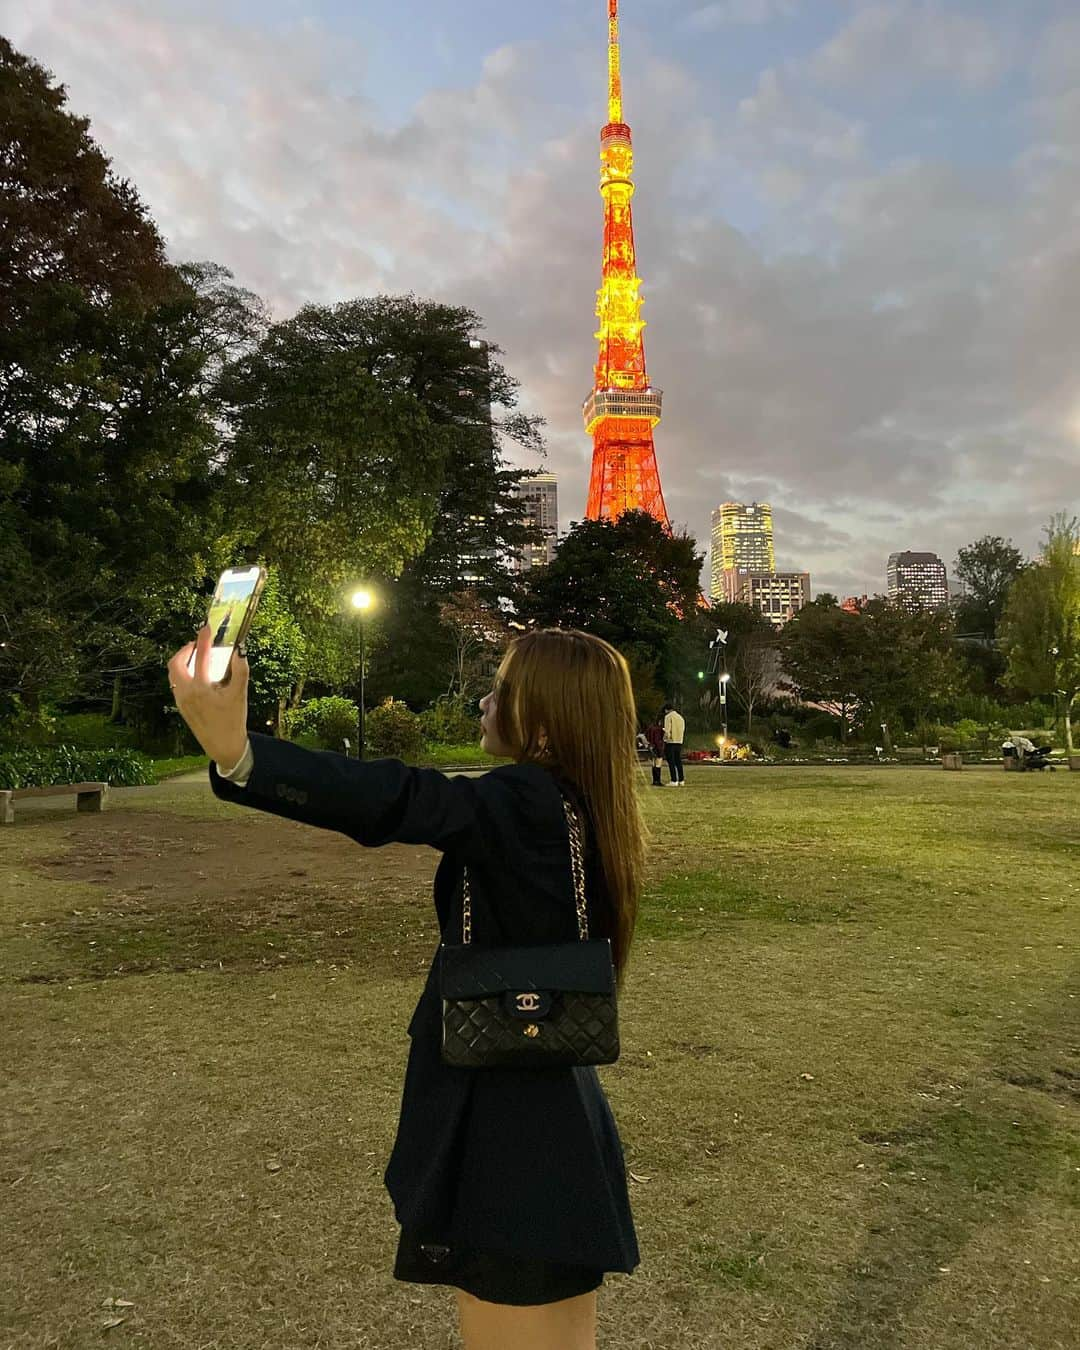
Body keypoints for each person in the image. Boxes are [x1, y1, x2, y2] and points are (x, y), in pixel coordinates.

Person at [168, 624, 644, 1350]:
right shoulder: (580, 804)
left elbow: (402, 798)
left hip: (510, 1135)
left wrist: (241, 753)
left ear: (544, 717)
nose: (486, 701)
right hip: (548, 1112)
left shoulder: (525, 801)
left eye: (504, 689)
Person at [661, 703, 685, 786]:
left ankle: (673, 780)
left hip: (671, 742)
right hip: (679, 741)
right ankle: (681, 780)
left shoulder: (668, 717)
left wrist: (664, 739)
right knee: (678, 761)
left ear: (666, 710)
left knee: (671, 762)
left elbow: (667, 731)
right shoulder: (680, 717)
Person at [644, 717, 665, 787]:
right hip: (658, 747)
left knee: (653, 763)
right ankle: (658, 781)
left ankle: (654, 780)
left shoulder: (650, 728)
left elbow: (646, 736)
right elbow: (659, 739)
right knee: (658, 764)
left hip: (652, 747)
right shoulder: (659, 729)